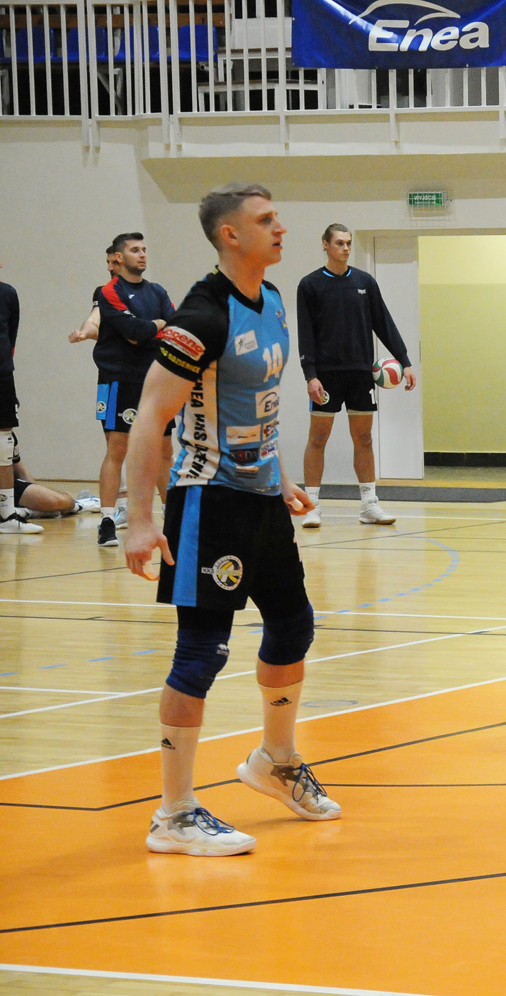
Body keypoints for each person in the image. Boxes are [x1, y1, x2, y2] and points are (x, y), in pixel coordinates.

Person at [124, 182, 339, 857]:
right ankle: (174, 814)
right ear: (230, 235)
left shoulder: (271, 299)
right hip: (207, 501)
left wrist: (281, 478)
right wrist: (139, 519)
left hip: (261, 497)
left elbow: (257, 407)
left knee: (293, 626)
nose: (282, 228)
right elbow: (149, 418)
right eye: (266, 220)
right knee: (202, 652)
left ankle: (275, 760)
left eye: (278, 216)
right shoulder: (202, 316)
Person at [296, 224, 415, 528]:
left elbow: (383, 323)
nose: (346, 248)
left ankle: (369, 505)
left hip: (361, 373)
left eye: (348, 243)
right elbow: (305, 334)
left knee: (363, 438)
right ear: (326, 245)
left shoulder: (365, 282)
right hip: (326, 375)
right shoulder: (310, 285)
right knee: (318, 438)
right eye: (339, 243)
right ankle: (312, 506)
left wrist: (404, 361)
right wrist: (310, 375)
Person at [83, 234, 176, 547]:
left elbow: (175, 327)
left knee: (164, 450)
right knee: (118, 449)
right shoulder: (109, 292)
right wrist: (158, 325)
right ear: (119, 258)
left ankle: (171, 517)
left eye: (144, 249)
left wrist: (156, 326)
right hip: (120, 378)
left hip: (156, 379)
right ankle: (108, 520)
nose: (142, 254)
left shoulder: (157, 291)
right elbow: (134, 333)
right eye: (135, 250)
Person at [0, 260, 41, 534]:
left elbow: (11, 335)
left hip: (2, 375)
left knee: (4, 440)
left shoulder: (7, 293)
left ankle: (7, 514)